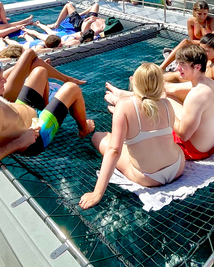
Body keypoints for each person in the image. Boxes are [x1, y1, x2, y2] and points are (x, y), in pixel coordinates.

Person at [0, 58, 95, 168]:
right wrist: (20, 141)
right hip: (35, 133)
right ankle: (84, 129)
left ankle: (49, 109)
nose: (5, 82)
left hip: (22, 109)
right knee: (71, 88)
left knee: (40, 71)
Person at [79, 63, 185, 209]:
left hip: (148, 177)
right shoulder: (167, 104)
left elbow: (114, 151)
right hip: (177, 167)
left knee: (98, 137)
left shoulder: (124, 105)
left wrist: (97, 193)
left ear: (135, 83)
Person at [107, 45, 214, 161]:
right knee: (166, 96)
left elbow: (184, 135)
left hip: (195, 151)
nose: (177, 68)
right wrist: (140, 85)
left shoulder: (196, 96)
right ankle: (124, 96)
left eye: (182, 65)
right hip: (212, 145)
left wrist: (164, 107)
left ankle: (123, 106)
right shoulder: (208, 82)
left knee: (160, 103)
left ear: (197, 67)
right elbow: (169, 89)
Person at [163, 33, 214, 104]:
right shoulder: (212, 61)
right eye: (201, 49)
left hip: (208, 103)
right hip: (204, 95)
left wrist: (200, 89)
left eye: (205, 51)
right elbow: (187, 42)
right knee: (169, 78)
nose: (201, 53)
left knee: (167, 91)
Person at [160, 1, 214, 71]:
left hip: (209, 47)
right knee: (185, 41)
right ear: (194, 12)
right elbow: (192, 40)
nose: (202, 16)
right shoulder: (191, 21)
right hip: (199, 46)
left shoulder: (211, 21)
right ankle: (162, 67)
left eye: (205, 14)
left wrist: (203, 43)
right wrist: (201, 43)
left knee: (186, 42)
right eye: (199, 14)